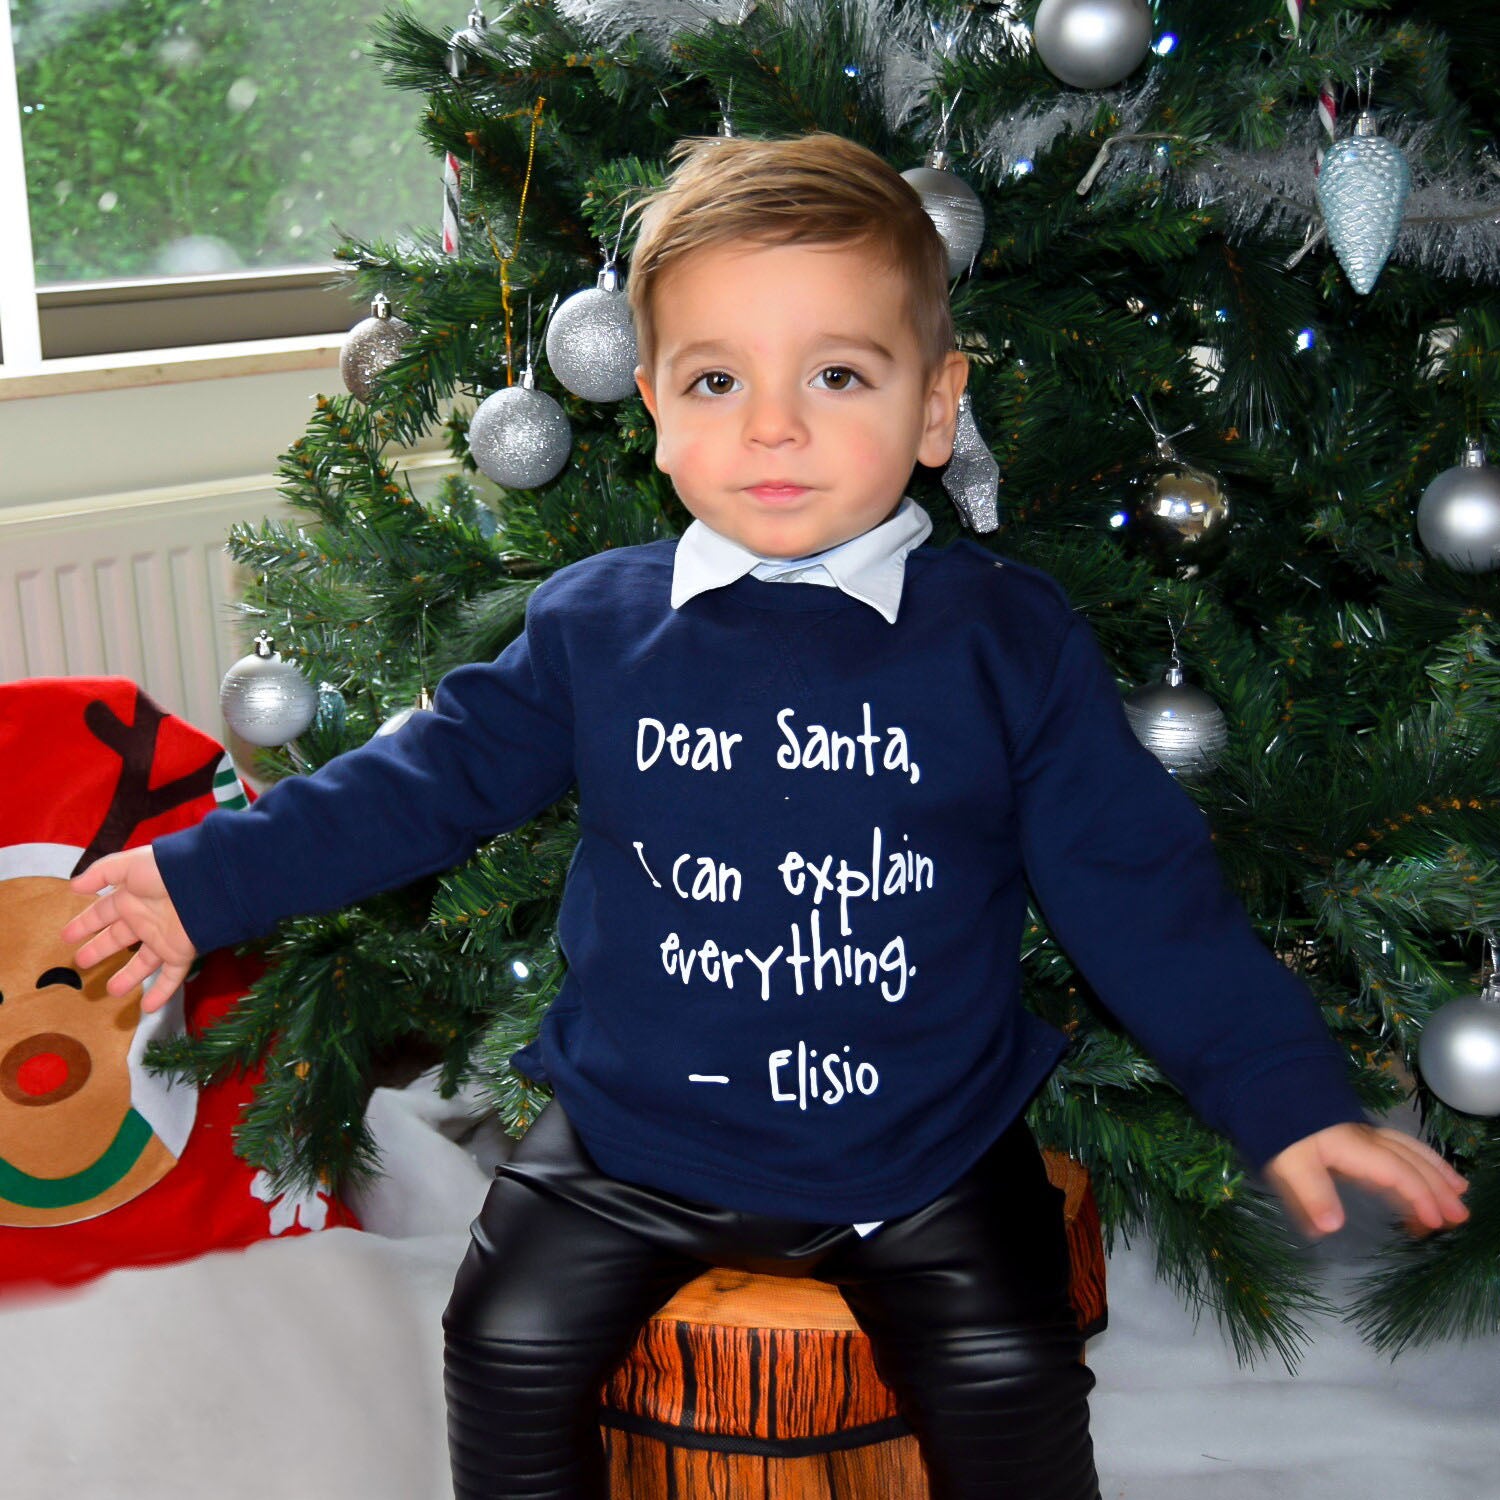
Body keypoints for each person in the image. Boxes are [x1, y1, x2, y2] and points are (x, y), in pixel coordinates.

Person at [64, 132, 1468, 1500]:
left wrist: (1287, 1101)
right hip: (628, 1141)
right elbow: (417, 783)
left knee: (1010, 1380)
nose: (775, 426)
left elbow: (1139, 886)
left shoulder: (1004, 641)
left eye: (839, 374)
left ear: (934, 405)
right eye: (719, 379)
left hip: (926, 1145)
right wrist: (205, 882)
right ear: (658, 414)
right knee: (502, 1347)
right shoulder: (594, 630)